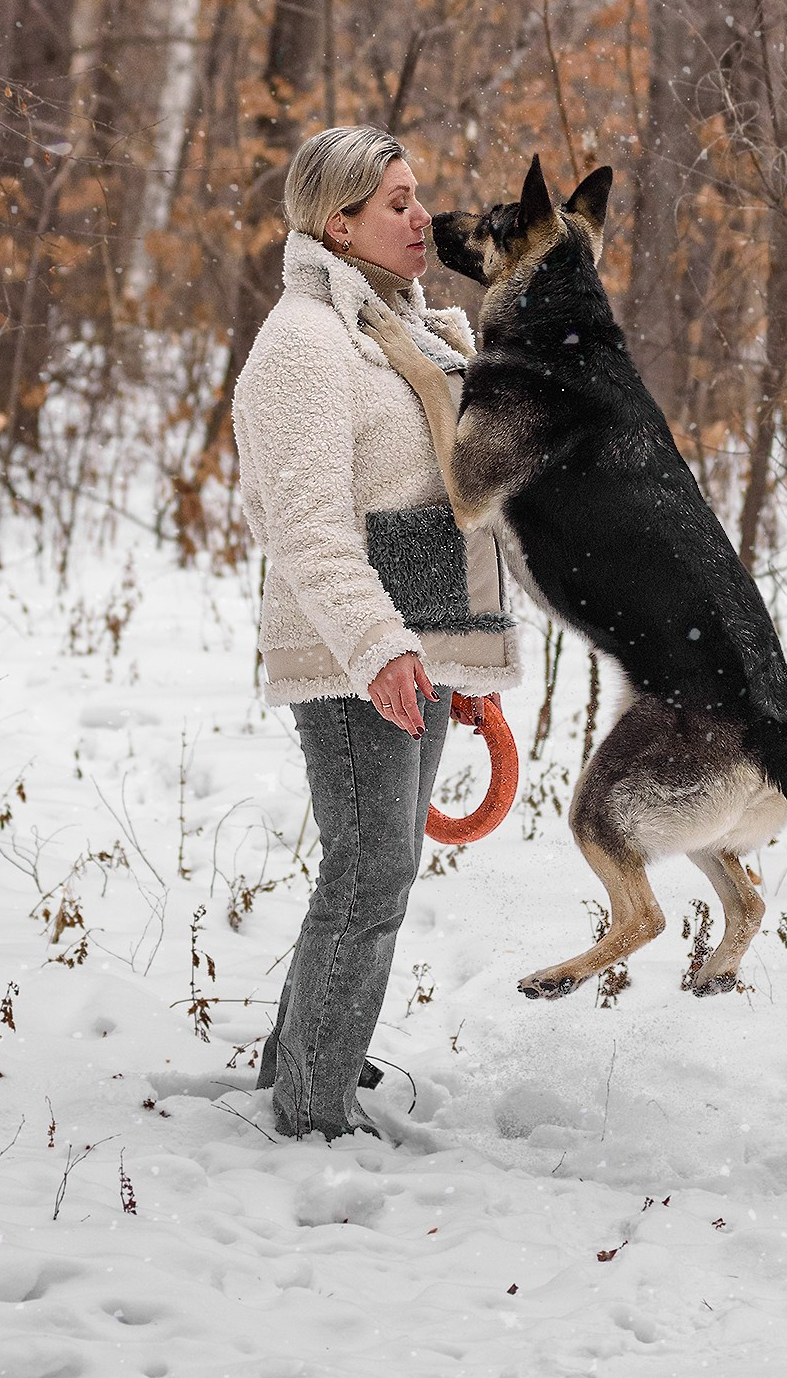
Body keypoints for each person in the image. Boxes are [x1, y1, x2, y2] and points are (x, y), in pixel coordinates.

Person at [231, 125, 519, 1142]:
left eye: (415, 194)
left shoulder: (412, 329)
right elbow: (302, 524)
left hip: (421, 639)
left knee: (373, 862)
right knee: (370, 870)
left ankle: (296, 1069)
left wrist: (456, 653)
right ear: (334, 222)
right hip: (357, 648)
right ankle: (311, 1114)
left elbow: (452, 489)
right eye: (393, 201)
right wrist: (381, 647)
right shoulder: (303, 346)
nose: (416, 217)